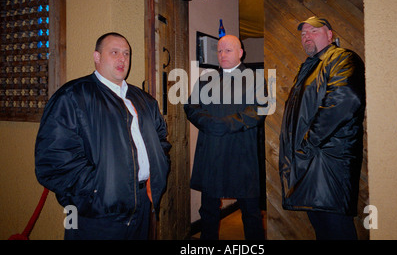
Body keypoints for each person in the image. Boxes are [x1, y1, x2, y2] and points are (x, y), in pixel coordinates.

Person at [35, 32, 171, 240]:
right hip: (96, 215)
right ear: (97, 57)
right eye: (114, 52)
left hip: (143, 205)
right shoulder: (72, 96)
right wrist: (97, 193)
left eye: (126, 53)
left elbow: (161, 140)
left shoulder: (144, 100)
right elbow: (54, 161)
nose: (122, 59)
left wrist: (159, 168)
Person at [279, 16, 365, 240]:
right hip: (313, 164)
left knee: (337, 230)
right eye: (303, 33)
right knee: (323, 230)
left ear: (330, 35)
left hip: (329, 165)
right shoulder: (310, 67)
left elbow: (346, 99)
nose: (306, 36)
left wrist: (308, 143)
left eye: (313, 31)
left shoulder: (342, 58)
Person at [184, 34, 266, 240]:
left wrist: (226, 124)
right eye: (219, 50)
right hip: (211, 152)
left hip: (242, 153)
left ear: (240, 53)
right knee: (209, 211)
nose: (222, 54)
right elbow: (191, 107)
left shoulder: (255, 79)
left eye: (228, 50)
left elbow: (258, 111)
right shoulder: (206, 80)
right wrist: (207, 122)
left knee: (251, 213)